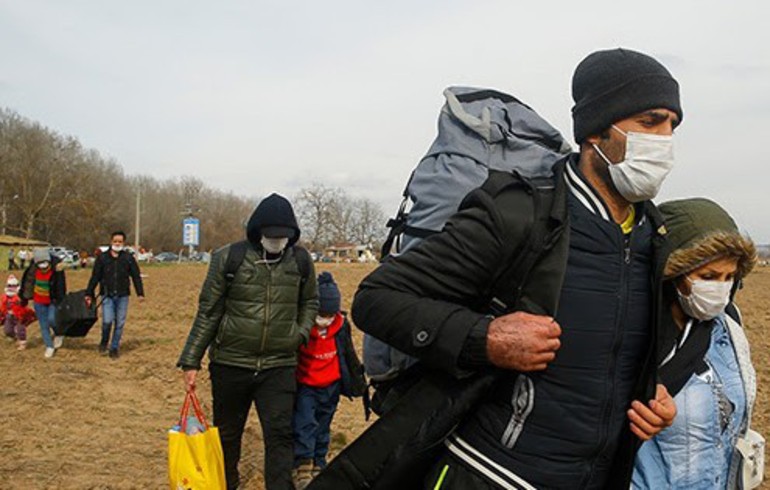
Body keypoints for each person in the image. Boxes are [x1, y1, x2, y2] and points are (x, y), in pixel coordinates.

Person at [346, 48, 682, 489]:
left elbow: (611, 358)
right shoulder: (518, 214)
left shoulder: (652, 237)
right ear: (597, 130)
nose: (665, 139)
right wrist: (484, 338)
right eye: (650, 122)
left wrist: (650, 397)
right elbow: (376, 300)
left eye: (673, 125)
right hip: (491, 474)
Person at [177, 193, 318, 490]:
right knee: (228, 434)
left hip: (278, 366)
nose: (276, 241)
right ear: (257, 232)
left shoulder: (301, 261)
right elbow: (208, 311)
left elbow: (310, 302)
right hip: (231, 363)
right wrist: (191, 359)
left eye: (283, 237)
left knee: (280, 435)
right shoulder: (229, 258)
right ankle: (227, 482)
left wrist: (299, 333)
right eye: (271, 236)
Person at [632, 198, 762, 489]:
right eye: (708, 276)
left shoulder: (728, 325)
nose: (720, 288)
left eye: (730, 277)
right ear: (672, 273)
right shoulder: (634, 336)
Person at [292, 272, 364, 489]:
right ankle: (303, 465)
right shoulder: (303, 326)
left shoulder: (341, 326)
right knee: (304, 425)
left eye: (329, 315)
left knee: (323, 425)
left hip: (330, 385)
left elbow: (348, 353)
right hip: (306, 385)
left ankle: (319, 462)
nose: (325, 320)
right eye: (321, 314)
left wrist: (356, 379)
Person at [85, 231, 145, 359]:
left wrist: (140, 293)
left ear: (124, 243)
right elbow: (95, 277)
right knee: (107, 321)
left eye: (120, 242)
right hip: (107, 295)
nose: (117, 244)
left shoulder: (128, 258)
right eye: (115, 241)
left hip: (123, 295)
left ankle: (114, 348)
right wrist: (89, 292)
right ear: (111, 242)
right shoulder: (103, 258)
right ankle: (104, 341)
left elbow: (136, 276)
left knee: (120, 323)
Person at [20, 247, 66, 358]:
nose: (42, 265)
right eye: (39, 263)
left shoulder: (56, 270)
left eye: (44, 262)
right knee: (43, 325)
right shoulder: (33, 270)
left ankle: (59, 333)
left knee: (52, 320)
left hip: (52, 300)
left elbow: (61, 286)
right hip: (38, 301)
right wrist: (24, 297)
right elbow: (27, 283)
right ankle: (49, 346)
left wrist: (61, 299)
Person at [1, 274, 36, 350]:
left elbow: (24, 306)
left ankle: (22, 342)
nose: (12, 288)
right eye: (10, 286)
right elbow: (2, 307)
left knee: (20, 329)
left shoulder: (20, 297)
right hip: (9, 316)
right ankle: (15, 337)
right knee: (7, 330)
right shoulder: (4, 297)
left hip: (19, 316)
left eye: (14, 286)